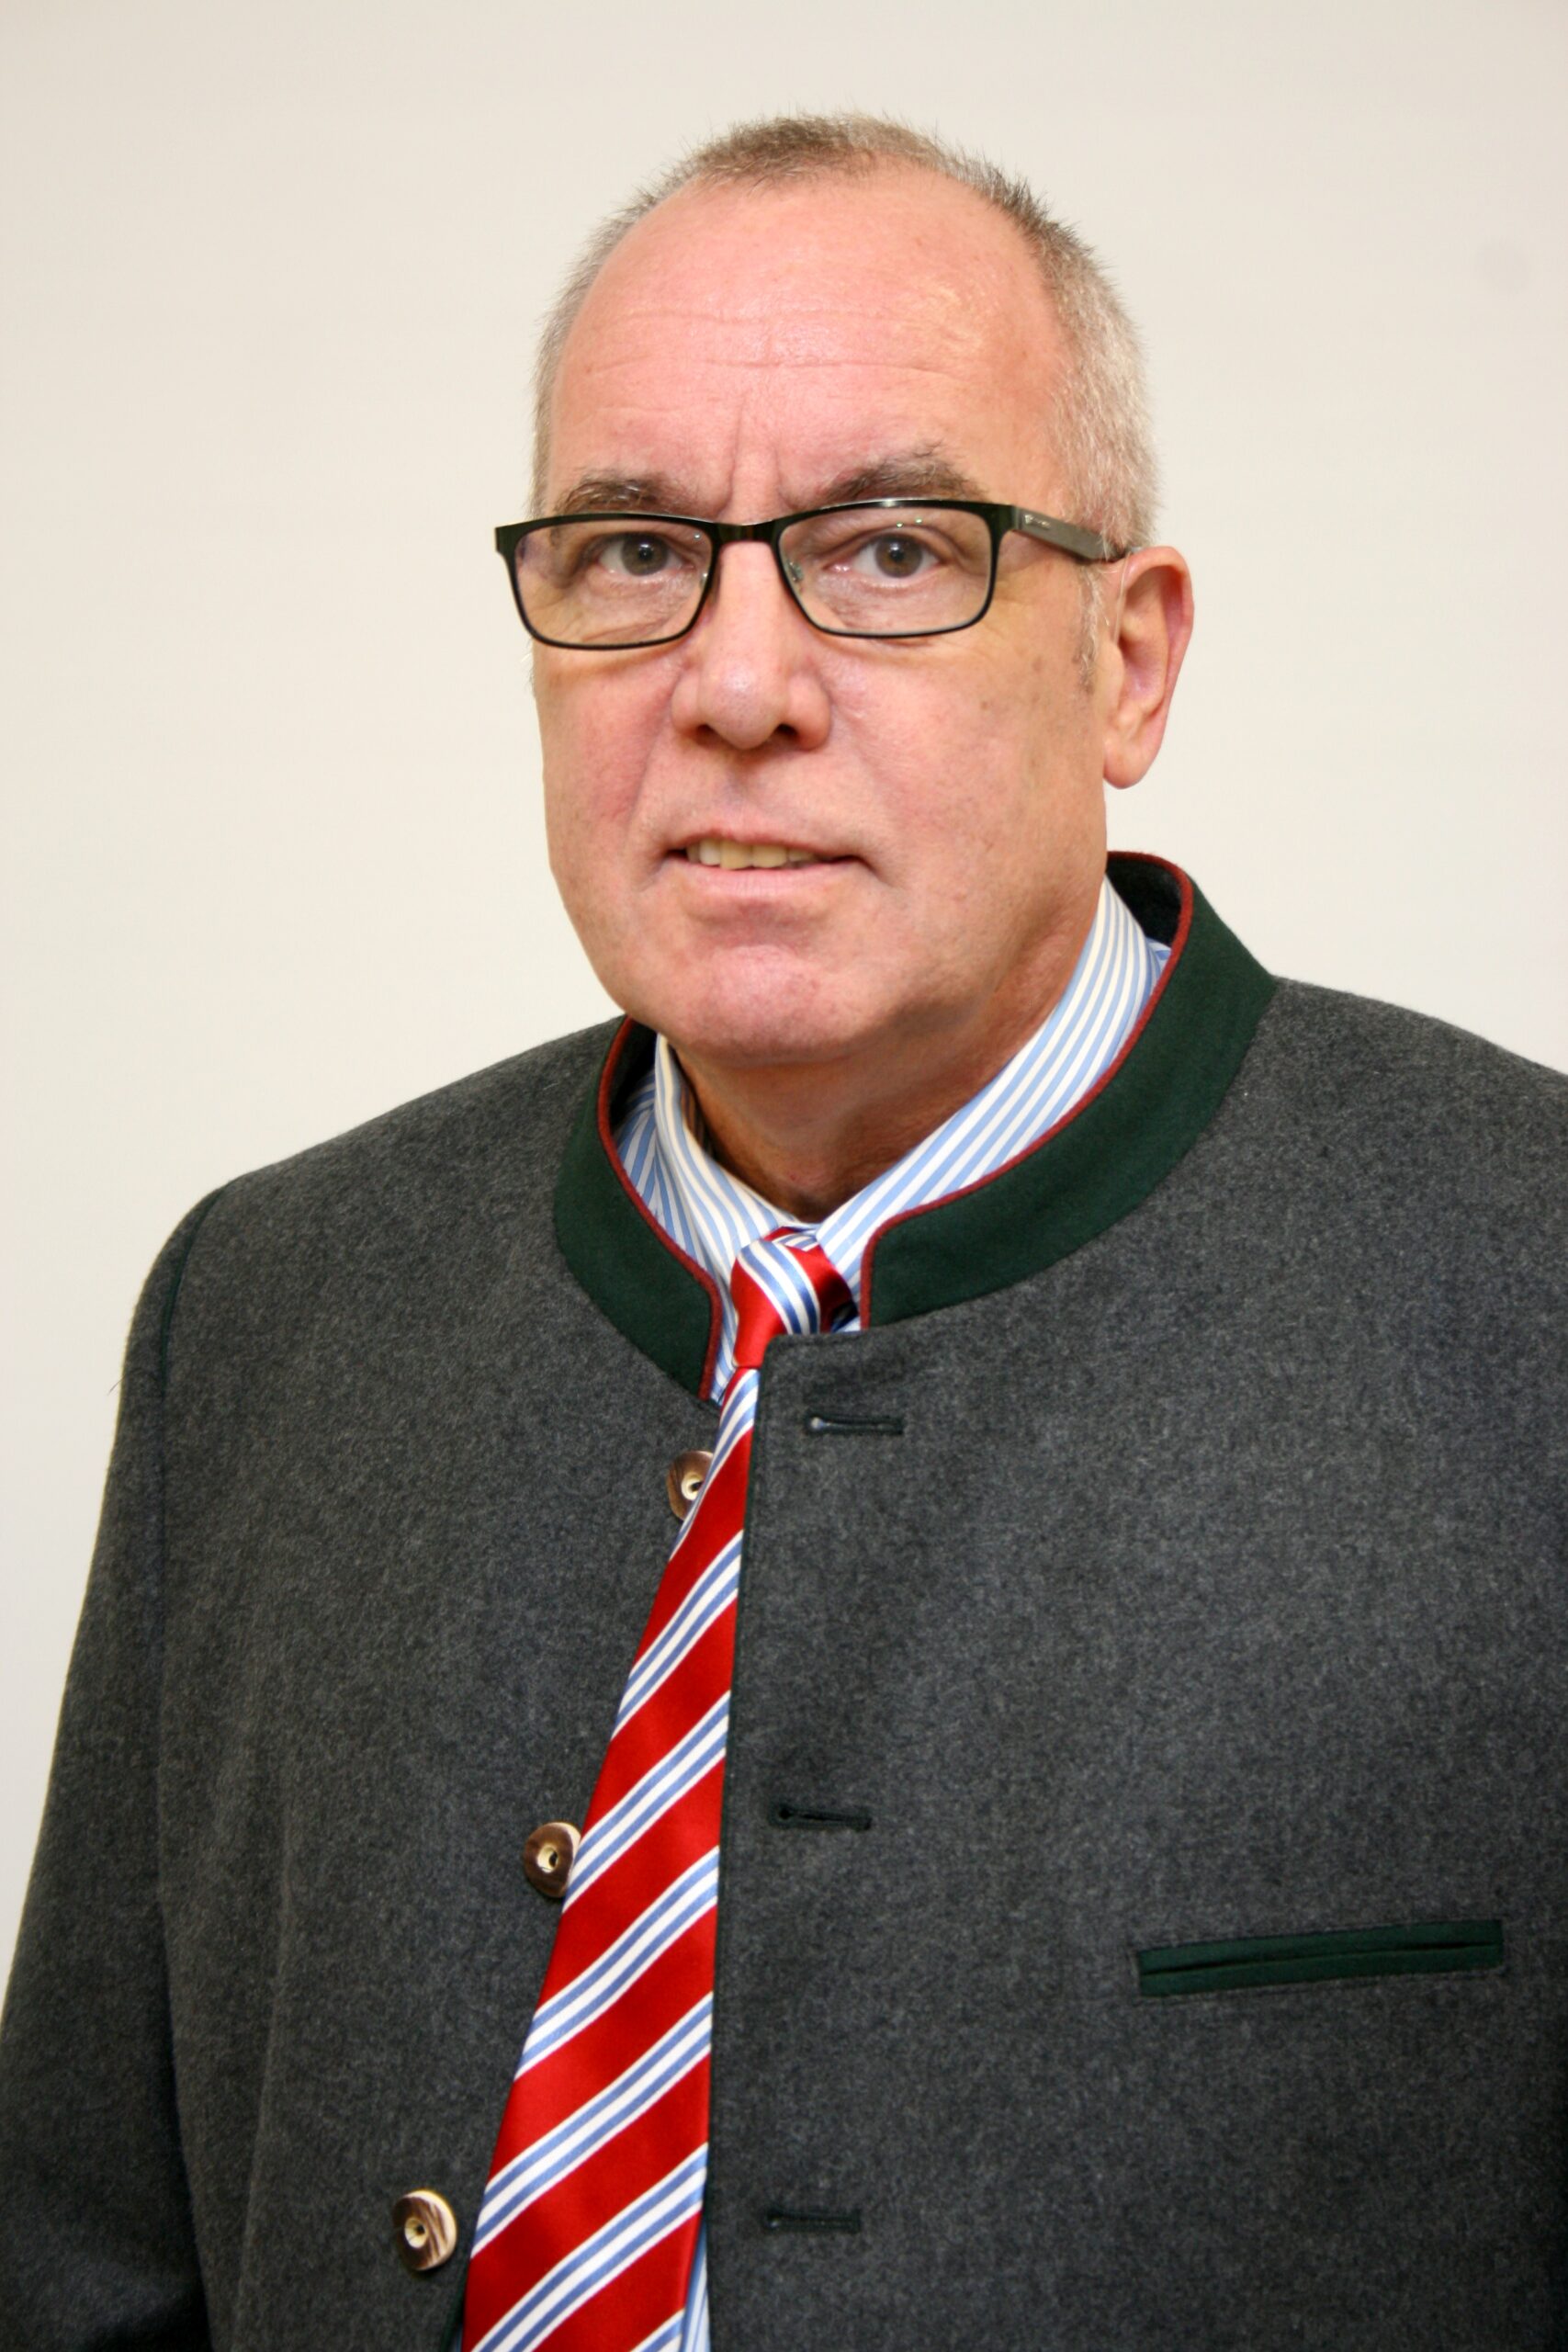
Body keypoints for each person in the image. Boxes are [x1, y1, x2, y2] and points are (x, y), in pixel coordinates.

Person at [2, 110, 1564, 2352]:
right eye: (635, 551)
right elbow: (83, 2263)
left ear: (1128, 659)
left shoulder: (1528, 1281)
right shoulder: (257, 1314)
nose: (735, 683)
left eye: (892, 547)